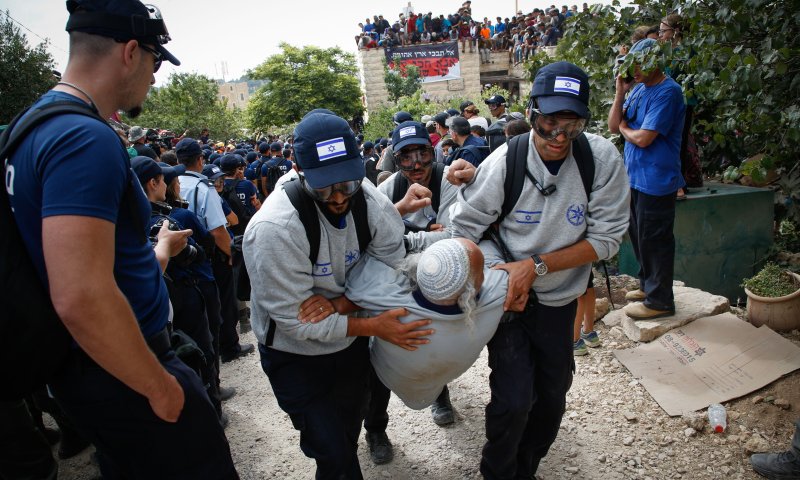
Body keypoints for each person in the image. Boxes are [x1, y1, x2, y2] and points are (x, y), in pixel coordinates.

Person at [5, 0, 237, 477]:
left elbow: (90, 266)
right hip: (124, 370)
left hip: (97, 368)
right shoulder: (81, 137)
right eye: (155, 61)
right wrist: (159, 386)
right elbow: (80, 295)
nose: (155, 77)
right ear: (131, 52)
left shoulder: (34, 126)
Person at [448, 61, 630, 479]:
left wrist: (536, 266)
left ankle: (525, 469)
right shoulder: (504, 162)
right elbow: (465, 231)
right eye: (549, 123)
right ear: (531, 114)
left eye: (573, 126)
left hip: (560, 298)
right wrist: (500, 274)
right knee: (513, 401)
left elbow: (606, 240)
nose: (559, 137)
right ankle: (497, 472)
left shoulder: (599, 159)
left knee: (551, 400)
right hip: (509, 298)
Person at [243, 111, 434, 479]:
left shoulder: (370, 202)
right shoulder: (274, 230)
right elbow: (297, 324)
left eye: (347, 181)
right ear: (298, 169)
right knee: (331, 451)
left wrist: (342, 304)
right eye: (324, 185)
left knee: (348, 427)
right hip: (293, 355)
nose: (338, 195)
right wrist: (375, 324)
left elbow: (393, 268)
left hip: (348, 349)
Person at [346, 239, 507, 409]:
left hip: (389, 373)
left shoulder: (385, 298)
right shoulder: (498, 295)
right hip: (440, 376)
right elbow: (492, 248)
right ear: (470, 291)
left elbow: (358, 264)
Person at [607, 38, 685, 320]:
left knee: (655, 240)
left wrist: (627, 129)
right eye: (630, 66)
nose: (633, 71)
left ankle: (660, 301)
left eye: (638, 65)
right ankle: (647, 285)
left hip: (657, 180)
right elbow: (613, 125)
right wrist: (620, 92)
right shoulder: (638, 90)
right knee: (639, 238)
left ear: (654, 61)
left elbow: (642, 138)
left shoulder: (668, 92)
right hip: (635, 178)